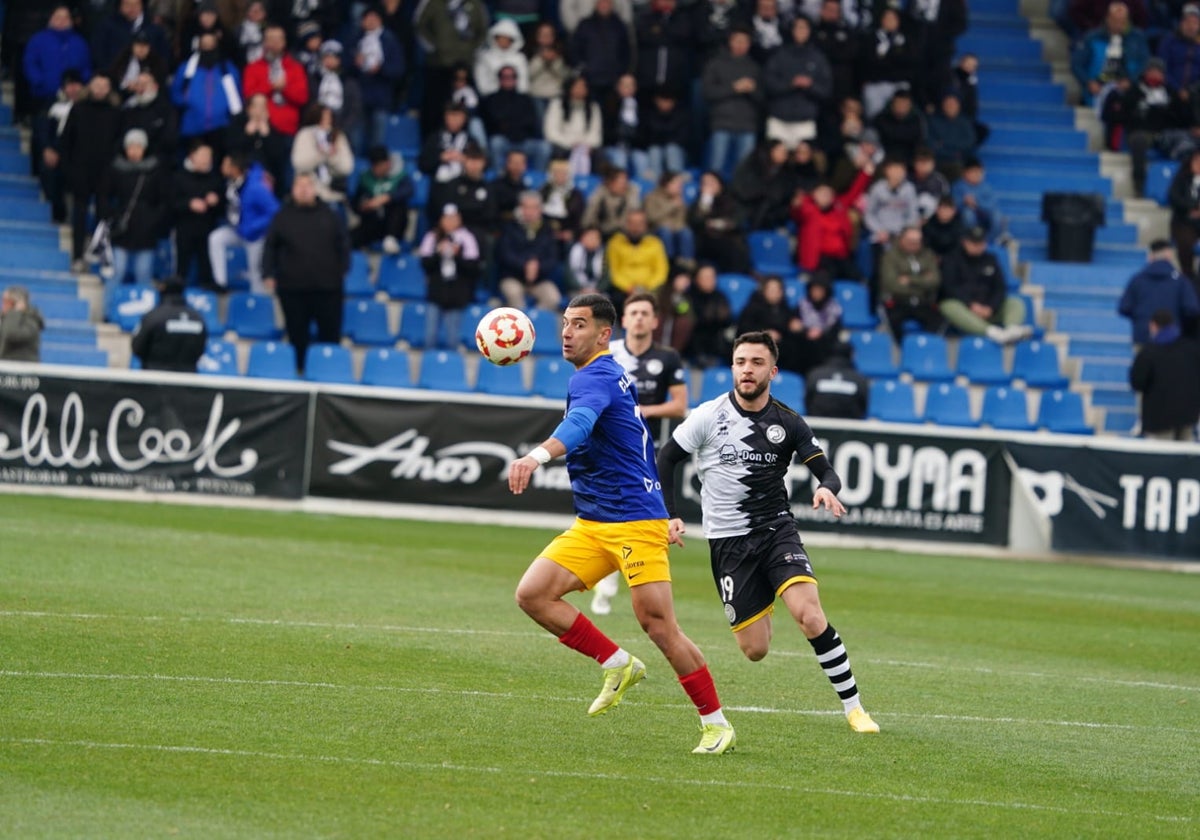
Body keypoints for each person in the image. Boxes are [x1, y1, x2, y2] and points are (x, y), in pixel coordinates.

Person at [507, 293, 737, 755]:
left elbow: (579, 424)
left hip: (632, 522)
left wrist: (535, 457)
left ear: (603, 334)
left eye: (579, 325)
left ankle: (717, 724)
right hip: (593, 522)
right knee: (532, 594)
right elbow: (632, 443)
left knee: (659, 627)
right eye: (566, 324)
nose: (568, 333)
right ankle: (617, 663)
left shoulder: (596, 376)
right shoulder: (603, 375)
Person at [656, 330, 880, 735]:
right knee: (755, 650)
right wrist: (669, 514)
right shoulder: (708, 415)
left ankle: (855, 709)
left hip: (776, 530)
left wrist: (827, 486)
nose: (747, 370)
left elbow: (825, 469)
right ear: (732, 368)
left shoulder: (787, 422)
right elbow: (666, 458)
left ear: (772, 371)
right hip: (728, 543)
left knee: (810, 616)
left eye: (756, 363)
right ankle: (763, 595)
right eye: (740, 362)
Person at [591, 291, 690, 614]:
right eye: (633, 313)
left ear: (655, 320)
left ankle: (643, 586)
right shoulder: (609, 353)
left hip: (650, 452)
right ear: (625, 317)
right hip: (612, 449)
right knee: (610, 512)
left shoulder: (668, 357)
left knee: (650, 519)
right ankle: (606, 581)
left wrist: (644, 411)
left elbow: (679, 405)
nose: (639, 318)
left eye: (645, 313)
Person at [262, 172, 350, 373]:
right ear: (293, 190)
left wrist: (342, 271)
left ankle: (328, 372)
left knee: (329, 335)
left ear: (315, 189)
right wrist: (268, 273)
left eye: (308, 185)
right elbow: (270, 247)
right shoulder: (282, 217)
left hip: (327, 289)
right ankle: (299, 371)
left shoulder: (330, 215)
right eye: (299, 186)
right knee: (296, 336)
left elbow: (343, 245)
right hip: (292, 289)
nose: (303, 190)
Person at [60, 72, 122, 273]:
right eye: (97, 85)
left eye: (104, 86)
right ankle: (77, 256)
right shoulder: (78, 109)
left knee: (102, 216)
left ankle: (100, 257)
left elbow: (118, 144)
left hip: (105, 173)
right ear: (90, 86)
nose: (100, 90)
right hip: (81, 171)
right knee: (79, 215)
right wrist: (69, 170)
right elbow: (66, 141)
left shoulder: (115, 113)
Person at [104, 128, 169, 310]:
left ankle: (146, 314)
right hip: (122, 230)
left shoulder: (154, 171)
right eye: (131, 147)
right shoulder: (116, 169)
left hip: (145, 232)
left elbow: (162, 201)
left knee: (144, 274)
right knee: (116, 273)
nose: (134, 151)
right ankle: (108, 311)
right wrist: (113, 217)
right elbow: (105, 196)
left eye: (138, 147)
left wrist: (152, 221)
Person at [940, 226, 1032, 344]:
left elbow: (1000, 287)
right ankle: (992, 332)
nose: (978, 246)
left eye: (981, 242)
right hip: (965, 309)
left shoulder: (990, 259)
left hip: (989, 309)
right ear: (965, 242)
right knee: (948, 306)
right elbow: (949, 287)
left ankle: (1011, 330)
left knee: (1015, 302)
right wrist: (971, 305)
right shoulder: (952, 259)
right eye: (974, 242)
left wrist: (991, 307)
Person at [208, 151, 280, 294]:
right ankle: (220, 283)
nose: (222, 167)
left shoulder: (256, 187)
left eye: (226, 164)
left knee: (256, 271)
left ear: (235, 168)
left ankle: (258, 300)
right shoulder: (230, 182)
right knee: (216, 238)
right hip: (237, 230)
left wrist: (254, 227)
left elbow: (276, 211)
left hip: (255, 236)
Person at [417, 203, 482, 349]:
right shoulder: (432, 237)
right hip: (436, 291)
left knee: (452, 337)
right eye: (447, 218)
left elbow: (473, 267)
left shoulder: (467, 238)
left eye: (453, 218)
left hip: (457, 293)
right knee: (430, 335)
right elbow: (425, 264)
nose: (450, 222)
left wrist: (457, 256)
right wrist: (438, 254)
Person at [702, 25, 763, 179]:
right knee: (716, 170)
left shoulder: (754, 67)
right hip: (722, 123)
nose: (741, 45)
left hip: (747, 125)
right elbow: (708, 93)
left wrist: (752, 89)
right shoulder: (715, 64)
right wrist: (734, 88)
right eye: (738, 41)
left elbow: (763, 98)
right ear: (730, 42)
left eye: (745, 42)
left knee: (744, 171)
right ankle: (713, 201)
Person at [1129, 309, 1200, 440]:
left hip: (1158, 417)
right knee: (1186, 457)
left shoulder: (1148, 352)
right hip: (1188, 415)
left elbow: (1137, 382)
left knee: (1162, 457)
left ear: (1153, 326)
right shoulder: (1191, 350)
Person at [1118, 239, 1200, 343]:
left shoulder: (1137, 280)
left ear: (1150, 257)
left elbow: (1124, 307)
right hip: (1173, 339)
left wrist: (1140, 318)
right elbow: (1192, 309)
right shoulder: (1181, 281)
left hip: (1142, 337)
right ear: (1169, 257)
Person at [352, 5, 406, 153]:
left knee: (377, 142)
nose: (370, 21)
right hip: (359, 98)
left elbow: (398, 69)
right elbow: (345, 66)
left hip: (381, 98)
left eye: (374, 18)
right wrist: (355, 63)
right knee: (355, 141)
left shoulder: (390, 41)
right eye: (367, 18)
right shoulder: (355, 39)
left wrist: (381, 69)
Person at [497, 191, 562, 311]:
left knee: (553, 297)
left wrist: (537, 267)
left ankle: (533, 324)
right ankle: (520, 326)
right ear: (520, 208)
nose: (530, 211)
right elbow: (505, 255)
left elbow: (553, 258)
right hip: (513, 277)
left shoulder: (547, 230)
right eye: (526, 207)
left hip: (539, 279)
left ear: (540, 209)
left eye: (534, 208)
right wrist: (525, 265)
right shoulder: (510, 228)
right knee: (514, 295)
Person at [242, 24, 309, 137]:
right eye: (271, 39)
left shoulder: (295, 68)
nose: (275, 43)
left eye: (278, 39)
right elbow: (249, 95)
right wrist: (271, 86)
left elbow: (302, 97)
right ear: (265, 42)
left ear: (284, 42)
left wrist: (285, 89)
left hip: (288, 128)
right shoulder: (253, 68)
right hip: (261, 128)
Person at [879, 225, 943, 340]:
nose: (914, 245)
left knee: (939, 321)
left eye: (917, 242)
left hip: (923, 301)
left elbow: (935, 281)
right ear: (901, 239)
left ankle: (924, 350)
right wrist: (923, 280)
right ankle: (902, 352)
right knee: (894, 323)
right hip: (898, 301)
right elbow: (891, 284)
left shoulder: (928, 255)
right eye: (910, 241)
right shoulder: (890, 256)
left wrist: (910, 280)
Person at [173, 141, 223, 288]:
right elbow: (171, 204)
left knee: (206, 272)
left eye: (209, 155)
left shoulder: (215, 179)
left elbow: (223, 208)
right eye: (202, 155)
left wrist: (216, 201)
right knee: (181, 273)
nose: (206, 158)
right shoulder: (179, 177)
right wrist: (189, 204)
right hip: (184, 230)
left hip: (207, 231)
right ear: (192, 156)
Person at [130, 278, 208, 372]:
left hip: (154, 378)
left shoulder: (153, 316)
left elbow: (137, 347)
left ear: (163, 290)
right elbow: (202, 348)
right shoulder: (197, 318)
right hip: (187, 379)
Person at [352, 146, 413, 253]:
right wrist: (364, 205)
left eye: (381, 165)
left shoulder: (399, 176)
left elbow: (409, 190)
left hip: (394, 224)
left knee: (398, 206)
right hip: (373, 223)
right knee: (351, 236)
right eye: (375, 166)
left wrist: (386, 198)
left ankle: (391, 239)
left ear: (387, 163)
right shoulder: (366, 178)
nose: (378, 169)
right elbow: (356, 202)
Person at [605, 209, 670, 308]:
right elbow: (613, 270)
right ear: (626, 224)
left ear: (646, 225)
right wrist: (628, 288)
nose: (636, 227)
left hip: (650, 288)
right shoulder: (615, 242)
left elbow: (661, 270)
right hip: (623, 290)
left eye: (640, 223)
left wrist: (647, 287)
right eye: (632, 223)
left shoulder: (655, 243)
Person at [805, 342, 869, 419]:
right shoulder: (859, 379)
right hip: (850, 427)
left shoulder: (814, 375)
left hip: (817, 426)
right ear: (851, 355)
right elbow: (863, 405)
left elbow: (808, 400)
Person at [0, 286, 44, 362]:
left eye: (7, 302)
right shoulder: (4, 319)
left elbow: (11, 334)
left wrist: (14, 312)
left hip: (22, 369)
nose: (3, 305)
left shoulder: (31, 321)